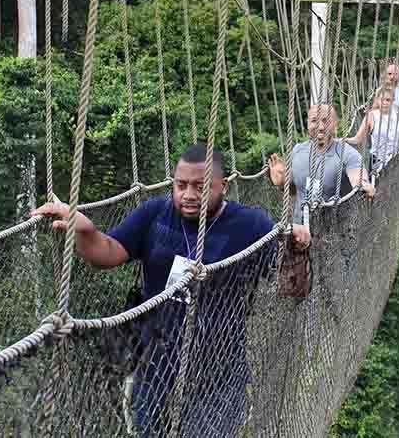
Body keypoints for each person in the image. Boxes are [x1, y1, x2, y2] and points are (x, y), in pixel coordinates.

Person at [32, 143, 309, 437]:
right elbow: (108, 252)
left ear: (223, 186)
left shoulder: (250, 224)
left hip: (219, 374)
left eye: (200, 186)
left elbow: (289, 284)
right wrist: (84, 231)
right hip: (155, 366)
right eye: (181, 185)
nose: (188, 195)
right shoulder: (157, 214)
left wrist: (296, 246)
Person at [268, 103, 375, 229]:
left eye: (326, 121)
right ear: (308, 124)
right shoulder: (297, 151)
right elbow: (294, 191)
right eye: (314, 121)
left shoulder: (347, 154)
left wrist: (363, 184)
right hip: (301, 232)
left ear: (335, 124)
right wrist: (282, 182)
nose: (320, 127)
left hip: (335, 234)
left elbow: (357, 177)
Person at [345, 86, 399, 173]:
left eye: (388, 100)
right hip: (377, 162)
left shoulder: (398, 115)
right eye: (382, 100)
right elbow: (357, 139)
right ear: (377, 100)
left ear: (393, 101)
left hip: (397, 160)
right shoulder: (371, 116)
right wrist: (344, 140)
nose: (384, 103)